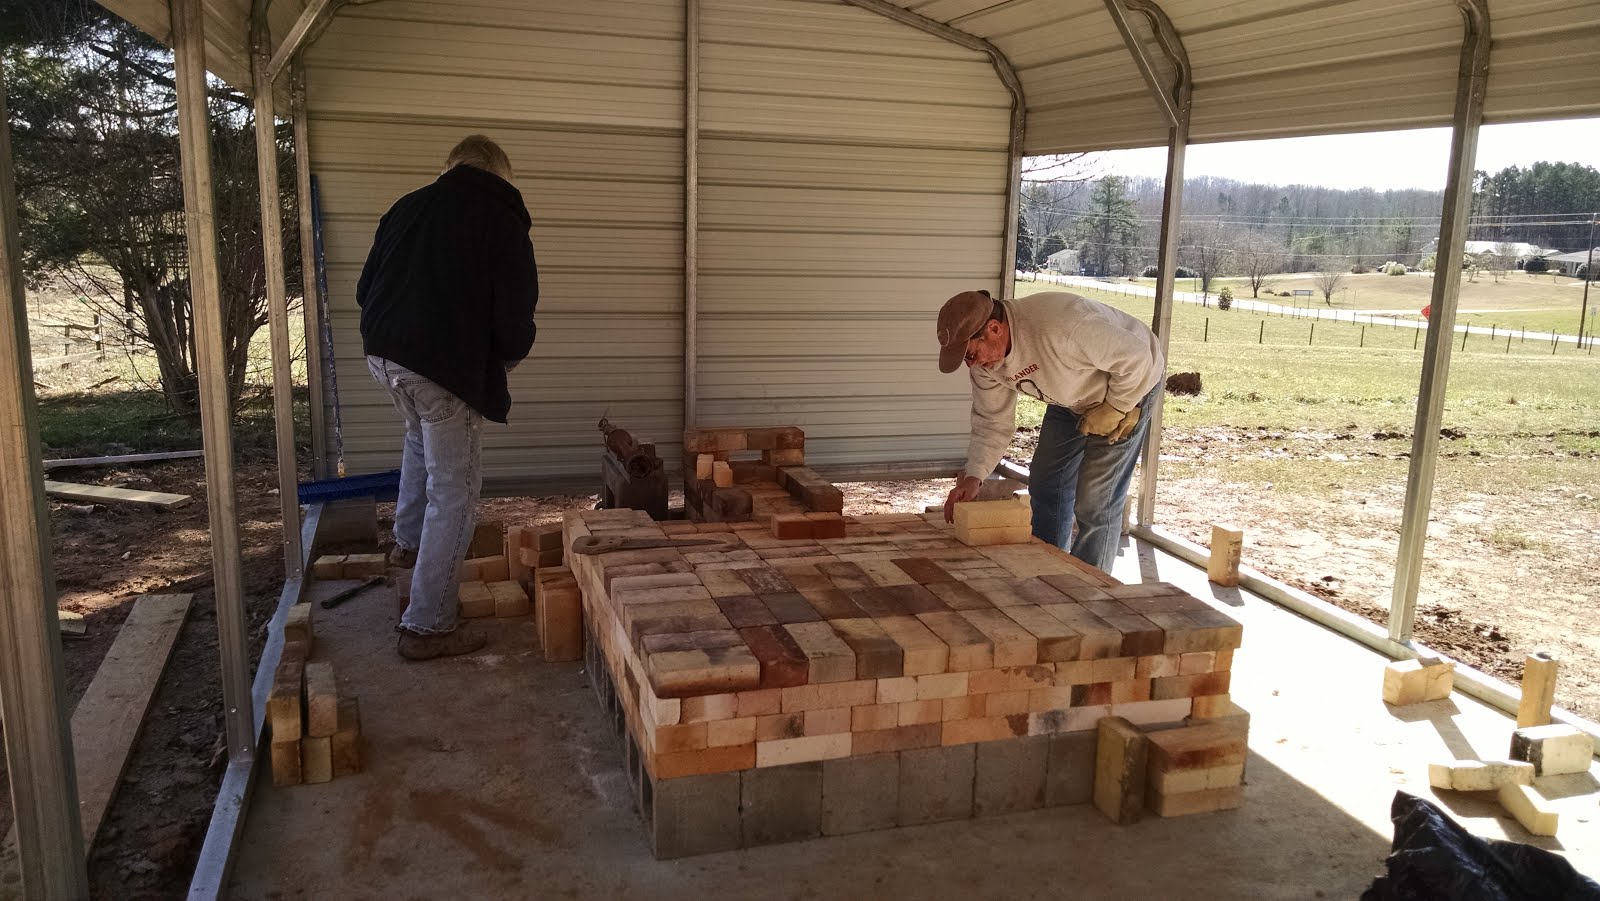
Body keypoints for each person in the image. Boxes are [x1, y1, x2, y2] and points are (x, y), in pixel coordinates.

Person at [357, 135, 539, 660]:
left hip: (384, 355)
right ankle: (428, 625)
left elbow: (365, 290)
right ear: (501, 175)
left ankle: (408, 545)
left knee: (419, 438)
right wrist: (496, 363)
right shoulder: (501, 220)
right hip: (441, 367)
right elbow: (515, 319)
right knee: (455, 490)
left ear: (451, 166)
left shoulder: (407, 207)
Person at [937, 289, 1164, 573]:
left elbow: (1138, 358)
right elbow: (992, 421)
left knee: (1096, 500)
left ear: (994, 329)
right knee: (1046, 484)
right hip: (1069, 394)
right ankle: (1048, 571)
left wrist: (1117, 406)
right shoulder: (985, 366)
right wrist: (974, 477)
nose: (971, 364)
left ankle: (1090, 585)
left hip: (1131, 384)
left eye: (971, 353)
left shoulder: (1063, 325)